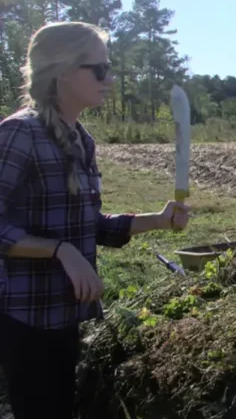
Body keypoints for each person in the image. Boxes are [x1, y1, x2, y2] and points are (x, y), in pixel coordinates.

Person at [0, 22, 191, 418]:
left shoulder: (80, 139)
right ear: (64, 71)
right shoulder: (19, 133)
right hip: (26, 320)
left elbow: (89, 223)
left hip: (66, 316)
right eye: (100, 69)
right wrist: (59, 251)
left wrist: (157, 220)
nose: (111, 79)